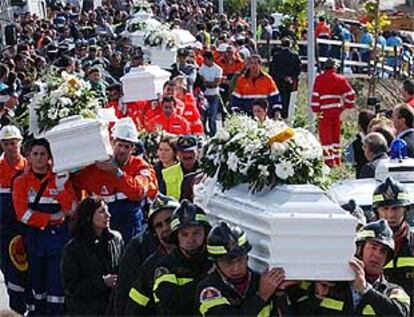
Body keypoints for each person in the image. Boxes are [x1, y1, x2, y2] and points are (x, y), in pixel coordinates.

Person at [12, 138, 77, 316]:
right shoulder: (21, 182)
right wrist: (51, 217)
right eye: (35, 154)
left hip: (58, 241)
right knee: (37, 287)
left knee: (57, 288)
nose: (39, 158)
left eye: (43, 154)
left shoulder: (60, 178)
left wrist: (61, 188)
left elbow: (71, 209)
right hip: (34, 241)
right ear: (28, 157)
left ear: (49, 157)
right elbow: (22, 215)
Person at [293, 220, 410, 316]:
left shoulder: (391, 291)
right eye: (373, 247)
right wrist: (317, 297)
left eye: (383, 251)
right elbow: (298, 313)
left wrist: (366, 290)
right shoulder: (331, 285)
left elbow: (401, 314)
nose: (377, 254)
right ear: (359, 250)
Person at [71, 118, 158, 243]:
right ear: (112, 143)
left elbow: (137, 192)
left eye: (126, 147)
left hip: (132, 227)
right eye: (120, 145)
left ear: (132, 148)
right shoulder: (96, 169)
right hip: (103, 227)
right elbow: (75, 182)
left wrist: (117, 173)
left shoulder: (141, 166)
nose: (122, 150)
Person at [195, 222, 290, 316]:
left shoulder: (262, 282)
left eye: (240, 260)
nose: (236, 268)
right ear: (216, 263)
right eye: (228, 262)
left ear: (247, 257)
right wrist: (262, 296)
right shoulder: (209, 290)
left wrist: (279, 293)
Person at [61, 196, 124, 316]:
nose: (108, 215)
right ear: (88, 217)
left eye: (107, 210)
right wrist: (102, 282)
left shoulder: (116, 239)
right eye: (102, 211)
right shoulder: (73, 249)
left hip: (112, 309)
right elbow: (71, 287)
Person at [152, 200, 212, 316]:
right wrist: (208, 278)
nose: (191, 240)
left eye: (196, 233)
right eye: (184, 234)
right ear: (176, 237)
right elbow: (172, 303)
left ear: (205, 233)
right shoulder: (166, 266)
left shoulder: (214, 260)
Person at [125, 195, 179, 316]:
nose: (165, 228)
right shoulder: (150, 267)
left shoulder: (202, 257)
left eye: (169, 220)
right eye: (159, 225)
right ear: (154, 233)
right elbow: (134, 309)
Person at [371, 177, 414, 314]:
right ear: (376, 212)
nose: (390, 215)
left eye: (396, 208)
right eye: (385, 209)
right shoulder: (365, 247)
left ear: (405, 210)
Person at [0, 125, 28, 315]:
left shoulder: (30, 166)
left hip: (26, 228)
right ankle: (16, 310)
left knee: (27, 272)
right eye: (7, 143)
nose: (11, 147)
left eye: (14, 143)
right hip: (3, 230)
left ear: (20, 143)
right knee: (10, 273)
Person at [311, 58, 356, 167]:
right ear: (334, 67)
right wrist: (345, 106)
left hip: (324, 113)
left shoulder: (319, 79)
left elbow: (315, 97)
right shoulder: (340, 78)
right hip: (336, 112)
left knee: (326, 138)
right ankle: (337, 160)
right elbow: (351, 95)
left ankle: (329, 162)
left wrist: (317, 110)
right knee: (336, 138)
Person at [161, 135, 201, 201]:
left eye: (191, 151)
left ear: (198, 152)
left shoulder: (208, 173)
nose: (187, 155)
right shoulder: (167, 174)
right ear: (177, 154)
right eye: (183, 152)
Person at [270, 36, 301, 119]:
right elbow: (298, 69)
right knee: (289, 98)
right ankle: (288, 115)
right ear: (290, 45)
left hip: (279, 80)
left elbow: (272, 69)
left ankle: (279, 113)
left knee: (279, 96)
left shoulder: (276, 56)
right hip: (290, 81)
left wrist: (280, 77)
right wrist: (291, 77)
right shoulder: (295, 55)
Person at [198, 50, 223, 136]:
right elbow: (201, 81)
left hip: (214, 95)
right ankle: (204, 133)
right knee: (203, 117)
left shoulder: (218, 69)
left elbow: (215, 84)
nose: (204, 61)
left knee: (212, 117)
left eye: (205, 59)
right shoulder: (201, 68)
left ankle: (213, 134)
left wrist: (207, 83)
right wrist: (209, 83)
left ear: (211, 59)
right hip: (204, 96)